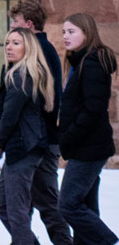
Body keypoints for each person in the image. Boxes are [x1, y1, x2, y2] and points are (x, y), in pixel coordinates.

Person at [0, 0, 70, 245]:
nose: (12, 35)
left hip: (37, 141)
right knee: (15, 204)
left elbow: (44, 102)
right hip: (31, 141)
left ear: (28, 25)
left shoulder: (39, 52)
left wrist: (5, 140)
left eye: (16, 25)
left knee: (42, 205)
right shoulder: (26, 57)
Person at [58, 13, 118, 245]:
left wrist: (69, 136)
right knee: (86, 206)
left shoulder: (92, 63)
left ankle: (107, 240)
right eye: (64, 31)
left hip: (88, 149)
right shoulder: (82, 61)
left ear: (87, 32)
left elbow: (93, 109)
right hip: (88, 146)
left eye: (71, 31)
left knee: (68, 205)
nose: (65, 36)